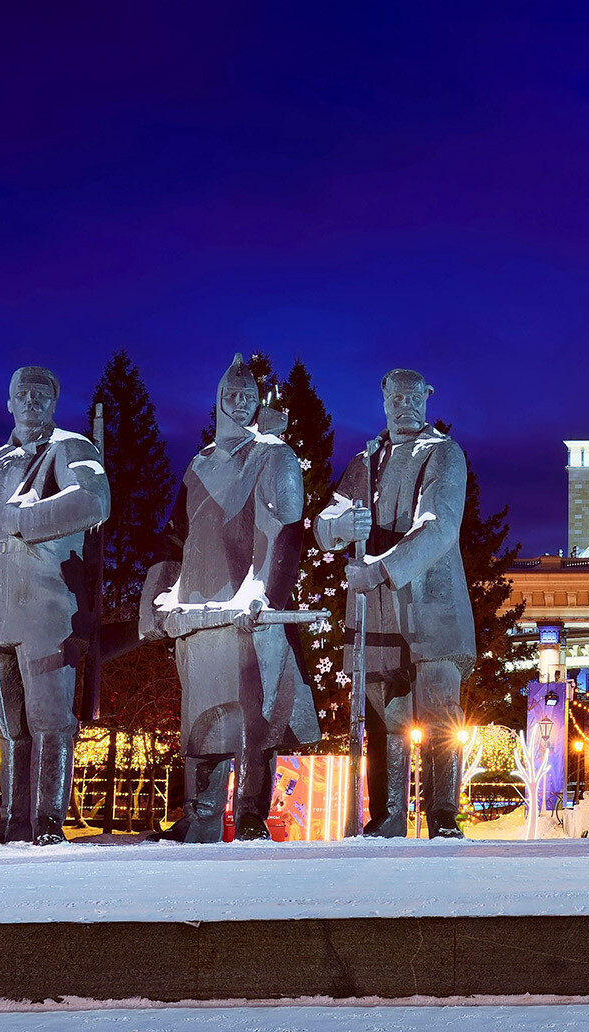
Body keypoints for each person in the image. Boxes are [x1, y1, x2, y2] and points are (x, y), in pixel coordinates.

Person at [141, 355, 319, 841]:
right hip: (198, 613)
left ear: (257, 403)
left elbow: (281, 532)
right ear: (218, 399)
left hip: (247, 614)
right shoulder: (197, 465)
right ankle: (199, 815)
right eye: (231, 395)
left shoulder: (273, 456)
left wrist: (261, 592)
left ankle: (250, 818)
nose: (239, 404)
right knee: (203, 718)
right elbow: (174, 537)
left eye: (248, 397)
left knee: (253, 722)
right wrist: (157, 598)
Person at [0, 366, 111, 844]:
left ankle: (47, 822)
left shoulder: (72, 447)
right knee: (8, 725)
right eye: (24, 393)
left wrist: (24, 519)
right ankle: (10, 820)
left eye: (43, 394)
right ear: (10, 402)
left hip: (47, 608)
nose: (33, 401)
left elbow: (93, 501)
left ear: (54, 403)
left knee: (50, 720)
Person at [315, 369, 475, 837]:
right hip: (379, 612)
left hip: (433, 609)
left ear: (426, 400)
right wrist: (340, 528)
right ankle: (387, 815)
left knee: (440, 710)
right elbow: (327, 519)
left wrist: (381, 568)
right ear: (384, 399)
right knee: (386, 715)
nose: (406, 405)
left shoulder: (444, 453)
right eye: (397, 397)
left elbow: (439, 524)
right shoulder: (366, 460)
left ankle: (443, 814)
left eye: (414, 397)